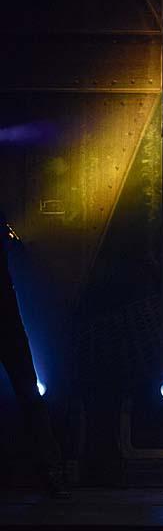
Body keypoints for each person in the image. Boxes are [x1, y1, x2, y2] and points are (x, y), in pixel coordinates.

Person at [0, 210, 68, 498]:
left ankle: (50, 470)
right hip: (7, 317)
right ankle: (50, 472)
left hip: (7, 317)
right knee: (29, 393)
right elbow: (19, 253)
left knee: (29, 393)